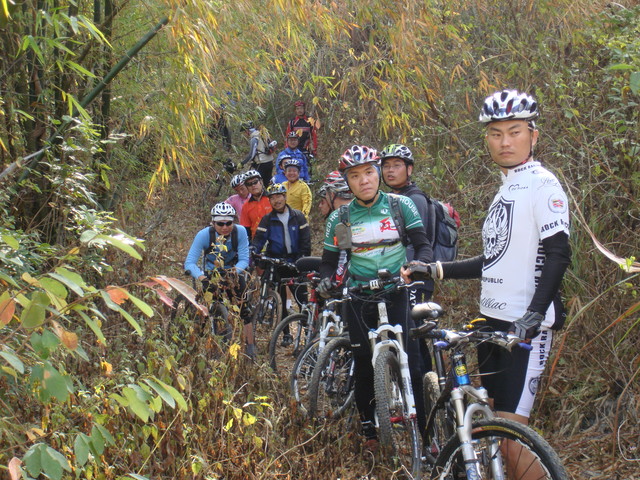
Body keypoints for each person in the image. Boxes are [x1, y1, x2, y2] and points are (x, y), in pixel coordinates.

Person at [428, 90, 571, 434]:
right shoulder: (507, 186)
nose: (505, 142)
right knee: (493, 427)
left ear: (533, 136)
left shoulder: (542, 185)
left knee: (512, 436)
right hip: (491, 321)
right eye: (496, 134)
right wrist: (435, 269)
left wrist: (533, 315)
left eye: (514, 132)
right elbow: (495, 258)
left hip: (523, 328)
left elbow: (558, 254)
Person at [317, 145, 433, 451]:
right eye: (355, 176)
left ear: (378, 172)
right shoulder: (341, 217)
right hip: (359, 296)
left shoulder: (400, 206)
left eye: (369, 172)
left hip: (397, 292)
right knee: (364, 365)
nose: (364, 180)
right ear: (347, 181)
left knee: (414, 363)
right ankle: (369, 430)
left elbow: (423, 245)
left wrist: (418, 265)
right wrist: (327, 280)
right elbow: (331, 260)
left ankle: (427, 433)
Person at [380, 144, 436, 370]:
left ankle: (423, 382)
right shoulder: (393, 199)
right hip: (400, 275)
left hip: (415, 276)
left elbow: (415, 243)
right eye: (386, 166)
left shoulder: (415, 199)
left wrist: (406, 270)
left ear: (409, 169)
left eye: (396, 165)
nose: (390, 171)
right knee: (407, 332)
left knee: (412, 334)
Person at [184, 203, 256, 358]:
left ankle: (250, 348)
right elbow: (189, 263)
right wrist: (202, 277)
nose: (225, 227)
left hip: (232, 271)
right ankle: (198, 340)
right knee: (205, 310)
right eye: (220, 224)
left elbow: (244, 259)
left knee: (244, 310)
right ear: (213, 223)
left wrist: (233, 273)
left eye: (228, 223)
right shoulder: (204, 235)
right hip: (211, 273)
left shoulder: (240, 232)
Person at [251, 183, 311, 329]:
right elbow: (259, 240)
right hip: (278, 262)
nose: (276, 200)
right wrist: (253, 251)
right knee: (281, 301)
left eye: (279, 196)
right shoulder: (267, 219)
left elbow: (306, 241)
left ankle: (308, 331)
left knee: (302, 300)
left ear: (285, 197)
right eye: (272, 198)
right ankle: (286, 334)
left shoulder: (298, 216)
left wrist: (302, 260)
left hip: (296, 262)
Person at [239, 170, 272, 240]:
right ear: (247, 187)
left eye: (255, 182)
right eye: (249, 184)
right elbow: (246, 229)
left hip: (274, 238)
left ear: (261, 182)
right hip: (257, 241)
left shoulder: (272, 199)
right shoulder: (246, 206)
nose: (253, 185)